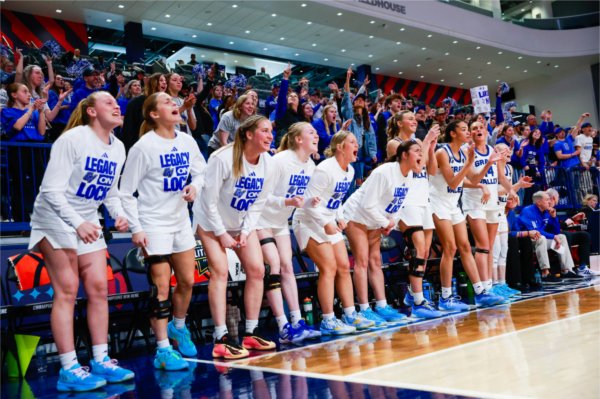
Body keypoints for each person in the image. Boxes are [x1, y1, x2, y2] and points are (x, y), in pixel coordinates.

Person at [28, 91, 134, 392]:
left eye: (117, 102)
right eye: (108, 102)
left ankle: (101, 359)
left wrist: (118, 215)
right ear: (90, 111)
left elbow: (110, 192)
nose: (116, 105)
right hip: (54, 218)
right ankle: (69, 368)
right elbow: (50, 191)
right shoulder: (72, 140)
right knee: (68, 290)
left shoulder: (118, 147)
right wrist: (78, 223)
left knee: (100, 287)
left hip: (87, 219)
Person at [120, 92, 206, 370]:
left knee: (187, 281)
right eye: (167, 101)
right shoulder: (143, 147)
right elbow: (125, 191)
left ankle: (178, 326)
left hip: (180, 220)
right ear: (154, 114)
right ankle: (162, 350)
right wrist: (136, 227)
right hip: (153, 222)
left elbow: (202, 173)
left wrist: (196, 186)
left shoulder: (186, 140)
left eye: (174, 101)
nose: (174, 104)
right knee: (161, 287)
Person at [194, 115, 277, 360]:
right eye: (264, 130)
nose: (270, 136)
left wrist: (245, 231)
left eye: (271, 131)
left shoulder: (268, 163)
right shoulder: (222, 158)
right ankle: (220, 336)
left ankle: (250, 332)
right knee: (219, 271)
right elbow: (208, 202)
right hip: (210, 222)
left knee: (257, 269)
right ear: (248, 134)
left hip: (239, 221)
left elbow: (259, 202)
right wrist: (221, 233)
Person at [292, 130, 375, 335]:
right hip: (308, 221)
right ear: (340, 147)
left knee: (344, 266)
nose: (357, 145)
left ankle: (349, 314)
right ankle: (328, 320)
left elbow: (334, 199)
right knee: (328, 268)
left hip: (327, 219)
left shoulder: (350, 171)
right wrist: (325, 222)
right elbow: (308, 203)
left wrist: (339, 216)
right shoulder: (325, 169)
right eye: (353, 142)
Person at [345, 139, 435, 325]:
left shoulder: (409, 176)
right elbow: (366, 204)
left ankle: (382, 305)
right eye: (417, 151)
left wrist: (391, 222)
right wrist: (384, 222)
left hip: (375, 218)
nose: (421, 155)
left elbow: (398, 205)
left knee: (376, 261)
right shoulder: (384, 172)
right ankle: (364, 309)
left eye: (421, 151)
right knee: (362, 262)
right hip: (357, 216)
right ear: (404, 155)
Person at [256, 122, 321, 343]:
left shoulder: (310, 165)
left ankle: (297, 321)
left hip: (281, 221)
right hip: (260, 218)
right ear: (298, 139)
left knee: (287, 267)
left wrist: (310, 202)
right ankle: (283, 325)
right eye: (311, 132)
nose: (316, 135)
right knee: (274, 266)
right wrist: (287, 201)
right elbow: (260, 196)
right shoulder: (280, 161)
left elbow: (299, 200)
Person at [429, 121, 505, 310]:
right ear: (453, 134)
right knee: (450, 247)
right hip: (438, 203)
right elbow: (454, 182)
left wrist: (486, 167)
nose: (468, 133)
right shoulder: (442, 153)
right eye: (464, 129)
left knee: (465, 246)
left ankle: (480, 292)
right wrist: (470, 162)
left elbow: (473, 178)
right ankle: (445, 298)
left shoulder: (463, 152)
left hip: (454, 204)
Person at [385, 111, 443, 319]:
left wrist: (431, 146)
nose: (414, 121)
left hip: (423, 199)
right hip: (407, 200)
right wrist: (426, 142)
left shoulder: (419, 142)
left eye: (415, 118)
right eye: (410, 118)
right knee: (418, 249)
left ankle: (413, 294)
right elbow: (416, 168)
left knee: (426, 252)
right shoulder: (394, 143)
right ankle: (418, 300)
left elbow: (431, 169)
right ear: (399, 123)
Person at [461, 121, 514, 299]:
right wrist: (486, 168)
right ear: (470, 133)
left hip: (492, 204)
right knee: (482, 246)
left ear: (485, 131)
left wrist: (512, 191)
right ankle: (481, 290)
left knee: (489, 247)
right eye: (474, 128)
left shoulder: (492, 151)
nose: (478, 130)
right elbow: (473, 180)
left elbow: (501, 176)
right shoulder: (466, 151)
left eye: (481, 128)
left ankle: (489, 287)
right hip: (474, 203)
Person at [517, 191, 583, 282]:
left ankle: (566, 270)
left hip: (540, 240)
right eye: (547, 200)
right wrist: (553, 236)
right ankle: (545, 273)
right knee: (542, 238)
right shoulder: (527, 211)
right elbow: (535, 232)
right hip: (526, 240)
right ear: (539, 202)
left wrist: (554, 217)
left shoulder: (547, 212)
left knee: (561, 237)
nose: (549, 202)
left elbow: (556, 232)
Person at [545, 188, 599, 277]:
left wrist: (573, 219)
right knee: (565, 235)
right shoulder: (544, 210)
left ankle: (583, 267)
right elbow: (550, 229)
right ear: (554, 198)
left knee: (584, 235)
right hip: (549, 236)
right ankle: (568, 268)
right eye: (558, 197)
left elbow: (557, 228)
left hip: (556, 234)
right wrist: (568, 221)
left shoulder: (552, 209)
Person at [341, 68, 377, 188]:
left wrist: (373, 153)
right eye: (358, 99)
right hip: (350, 151)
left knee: (359, 182)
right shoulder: (350, 114)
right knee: (349, 181)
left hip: (362, 153)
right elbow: (346, 98)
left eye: (363, 100)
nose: (360, 101)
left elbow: (371, 138)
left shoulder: (367, 121)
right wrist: (348, 78)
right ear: (353, 103)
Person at [122, 73, 167, 153]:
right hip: (140, 147)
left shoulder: (166, 103)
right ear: (153, 83)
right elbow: (129, 129)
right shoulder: (137, 102)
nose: (164, 83)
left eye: (165, 81)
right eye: (161, 80)